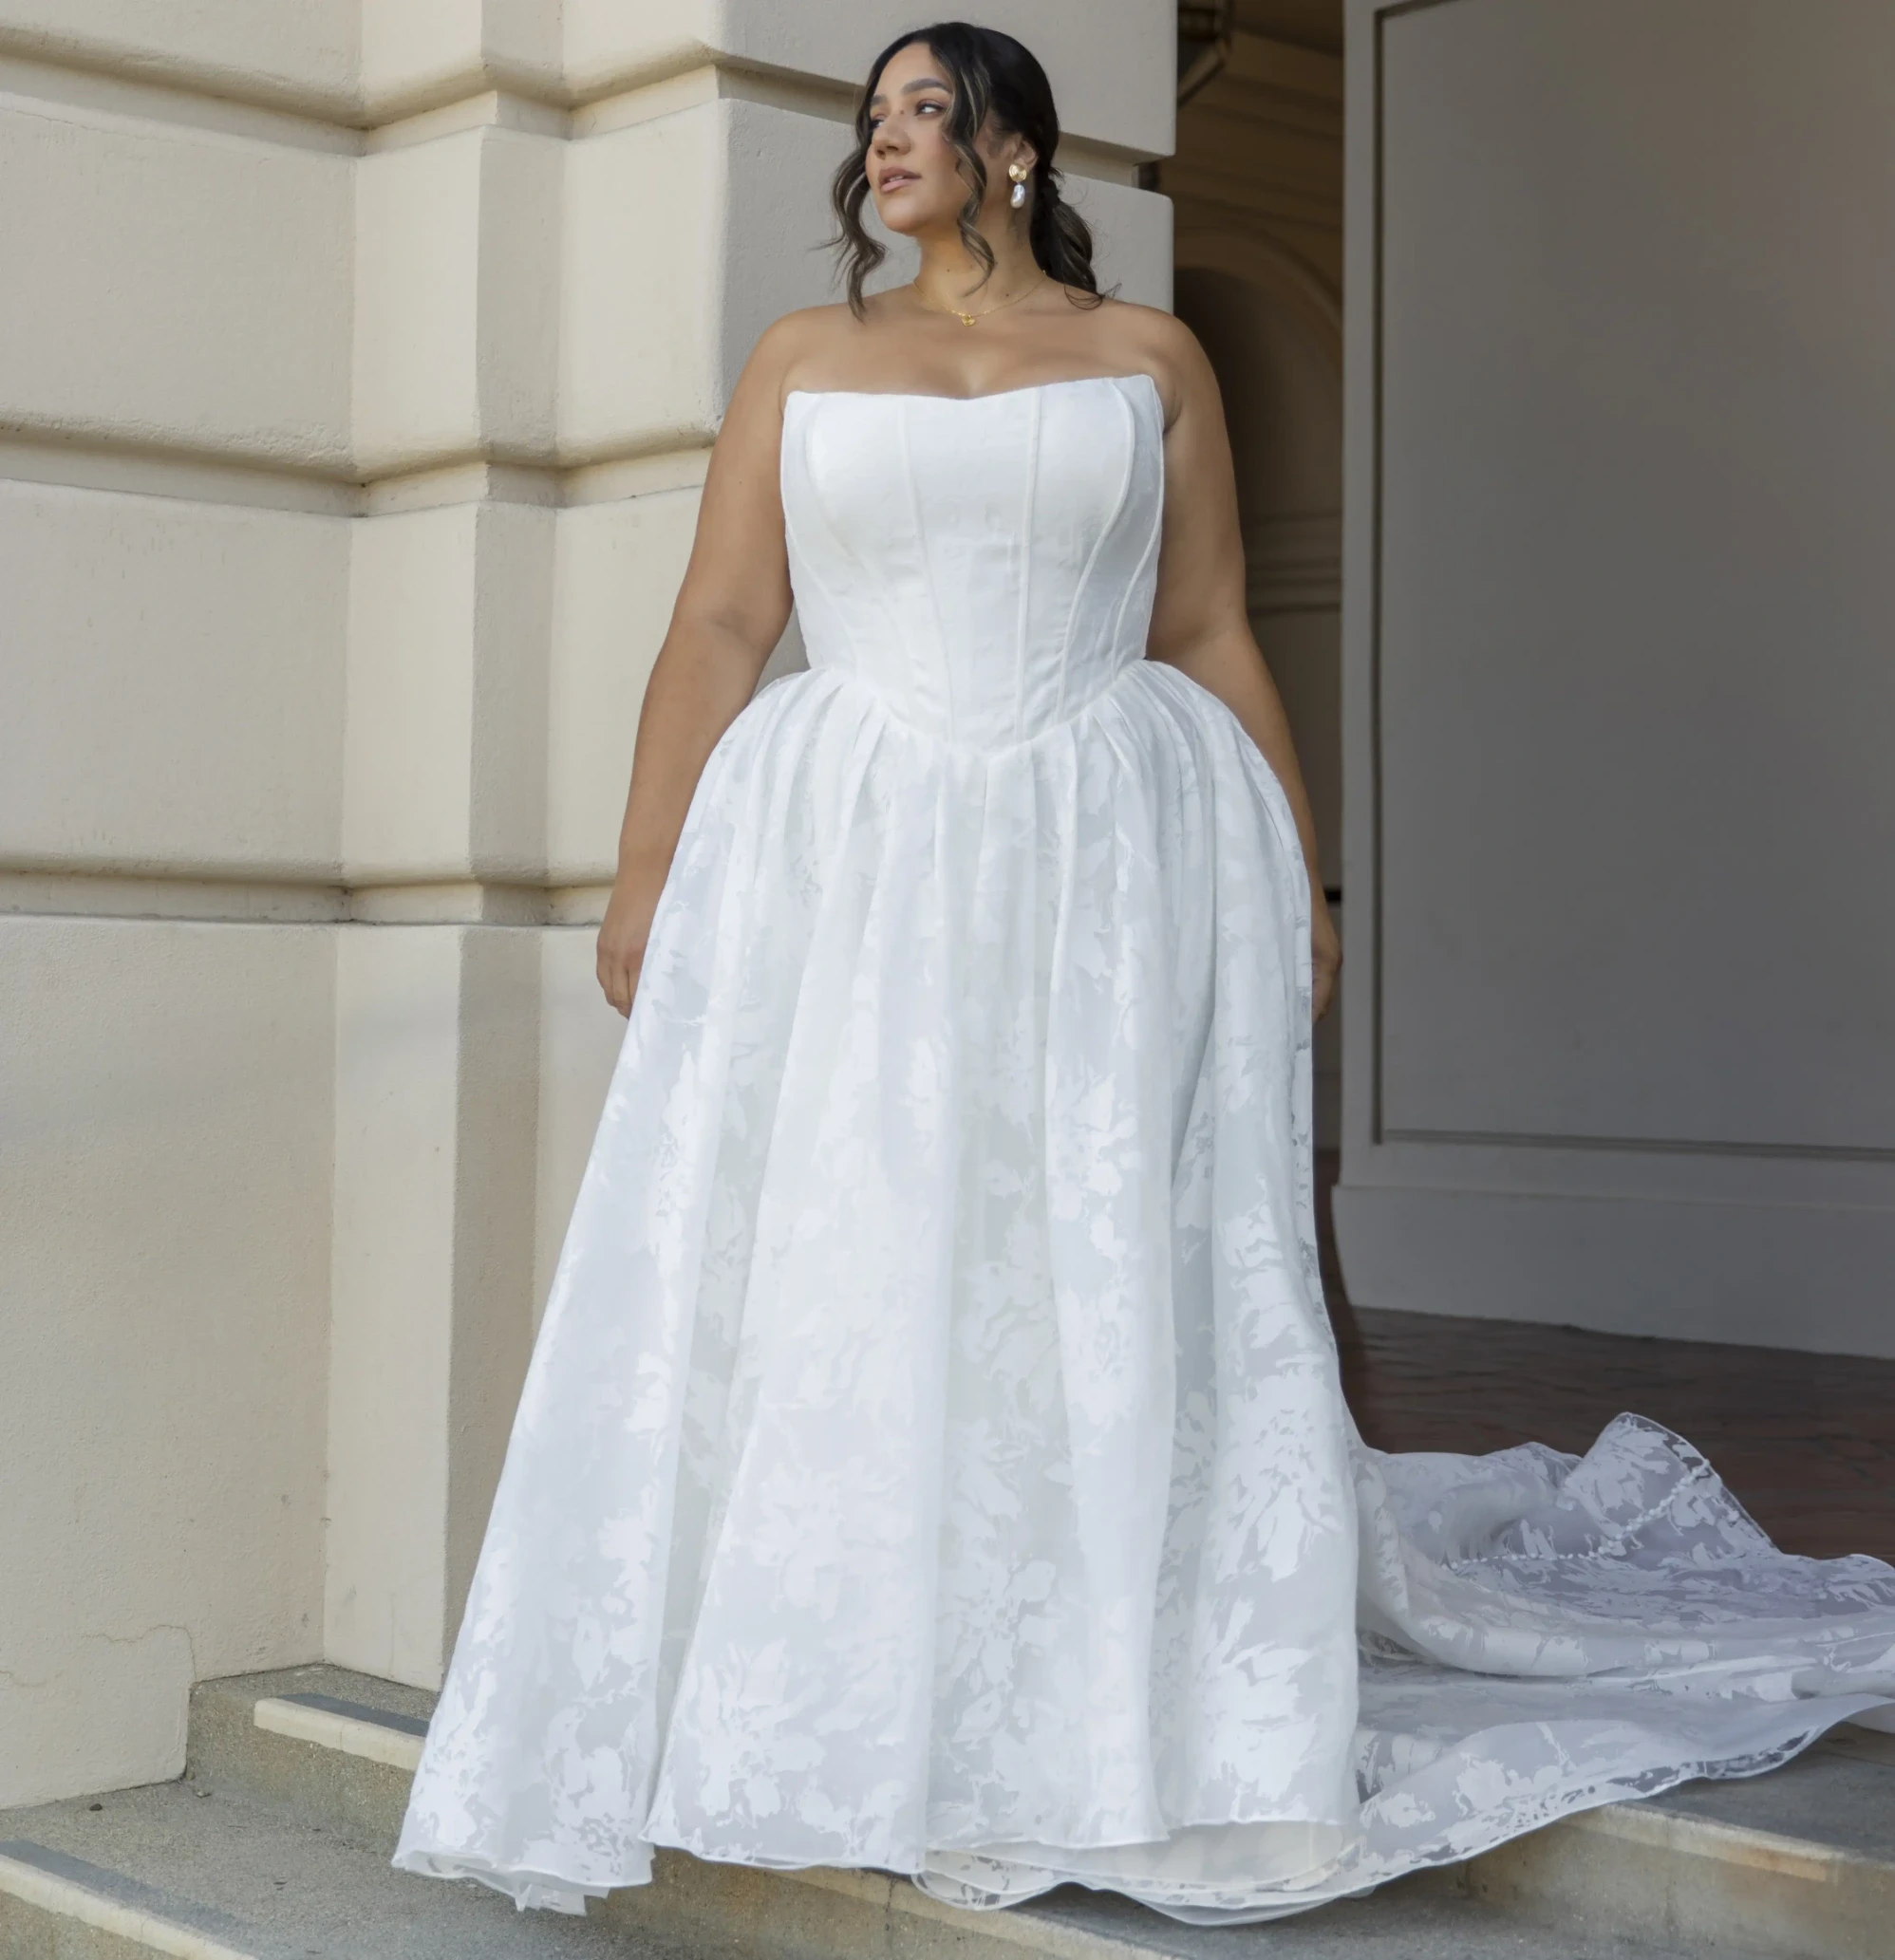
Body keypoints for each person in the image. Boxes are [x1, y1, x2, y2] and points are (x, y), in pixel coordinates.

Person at [392, 21, 1895, 1924]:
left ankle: (1100, 1683)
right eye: (870, 124)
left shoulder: (1147, 358)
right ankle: (851, 1690)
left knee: (1080, 1253)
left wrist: (1298, 870)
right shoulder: (800, 361)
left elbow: (1200, 624)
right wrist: (638, 870)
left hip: (1106, 863)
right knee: (863, 1245)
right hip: (851, 861)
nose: (886, 147)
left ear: (1014, 146)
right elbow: (720, 618)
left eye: (923, 113)